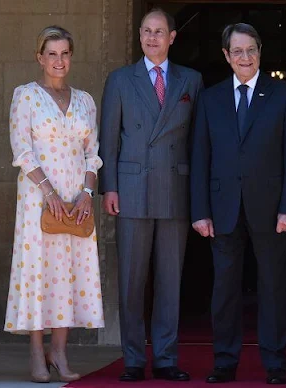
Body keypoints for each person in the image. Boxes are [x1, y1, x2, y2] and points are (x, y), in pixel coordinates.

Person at [190, 23, 286, 385]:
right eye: (237, 51)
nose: (244, 57)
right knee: (224, 289)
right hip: (222, 208)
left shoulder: (284, 95)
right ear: (226, 55)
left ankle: (275, 363)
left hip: (272, 210)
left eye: (250, 50)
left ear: (260, 52)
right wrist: (199, 211)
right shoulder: (210, 99)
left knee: (272, 287)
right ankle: (224, 361)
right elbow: (200, 159)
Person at [99, 8, 204, 383]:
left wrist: (199, 194)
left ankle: (165, 357)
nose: (152, 38)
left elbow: (197, 143)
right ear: (140, 35)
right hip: (130, 190)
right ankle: (131, 358)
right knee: (131, 279)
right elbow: (107, 140)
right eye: (146, 31)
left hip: (175, 189)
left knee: (169, 280)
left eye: (159, 32)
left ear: (172, 37)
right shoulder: (120, 80)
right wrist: (108, 186)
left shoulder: (191, 81)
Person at [4, 26, 104, 383]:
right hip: (38, 197)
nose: (59, 61)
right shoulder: (26, 96)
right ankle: (36, 351)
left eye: (64, 54)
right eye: (52, 54)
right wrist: (49, 192)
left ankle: (59, 353)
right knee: (39, 271)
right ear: (40, 58)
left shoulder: (85, 101)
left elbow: (93, 153)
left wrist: (87, 195)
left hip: (76, 199)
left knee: (69, 273)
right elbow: (22, 150)